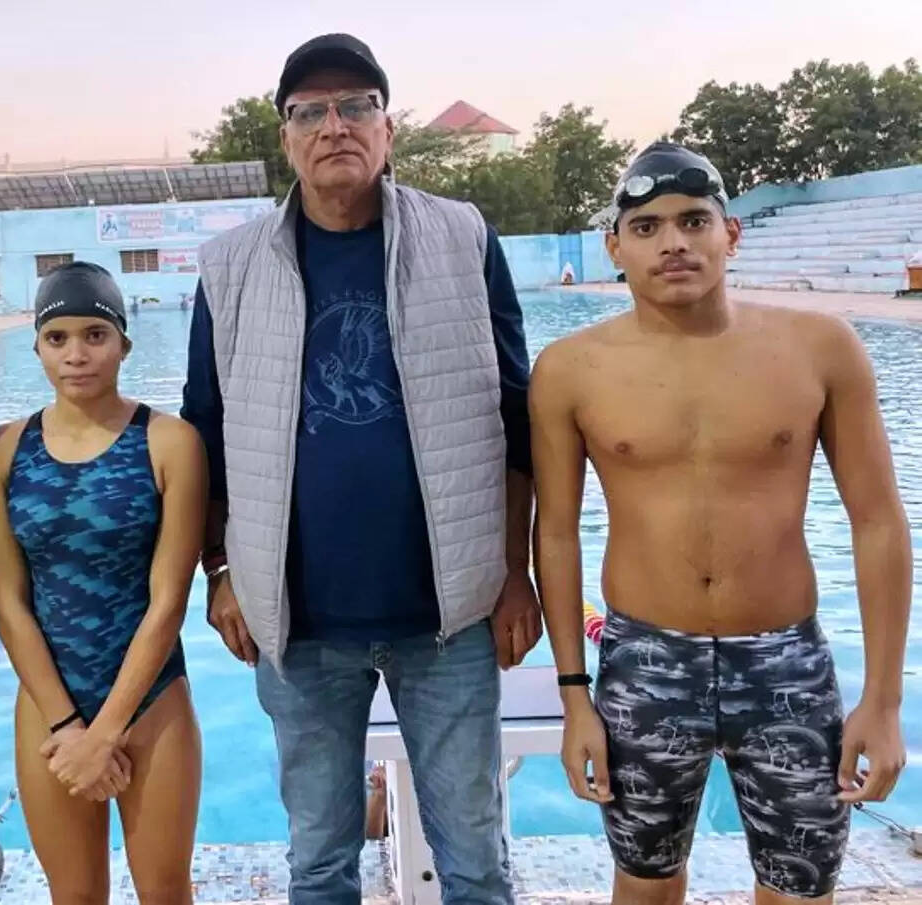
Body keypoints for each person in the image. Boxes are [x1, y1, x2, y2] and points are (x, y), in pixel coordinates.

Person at [181, 33, 539, 905]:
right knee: (319, 864)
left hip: (447, 618)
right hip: (298, 624)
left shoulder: (462, 236)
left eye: (356, 106)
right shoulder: (231, 267)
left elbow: (516, 413)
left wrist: (515, 571)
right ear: (286, 137)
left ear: (388, 128)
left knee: (478, 865)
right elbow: (203, 433)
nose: (334, 125)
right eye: (311, 111)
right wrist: (221, 569)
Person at [531, 142, 912, 905]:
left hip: (786, 664)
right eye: (646, 227)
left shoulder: (821, 348)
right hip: (645, 662)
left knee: (800, 889)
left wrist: (884, 698)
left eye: (693, 220)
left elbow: (877, 522)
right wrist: (576, 697)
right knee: (645, 884)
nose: (672, 242)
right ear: (615, 247)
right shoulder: (571, 370)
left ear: (729, 234)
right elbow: (556, 536)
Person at [0, 262, 204, 904]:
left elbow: (168, 603)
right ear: (38, 348)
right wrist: (69, 726)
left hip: (150, 701)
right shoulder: (5, 450)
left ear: (124, 344)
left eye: (95, 335)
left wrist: (105, 732)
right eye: (58, 339)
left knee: (164, 890)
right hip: (50, 711)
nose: (76, 354)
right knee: (73, 895)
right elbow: (9, 602)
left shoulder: (169, 443)